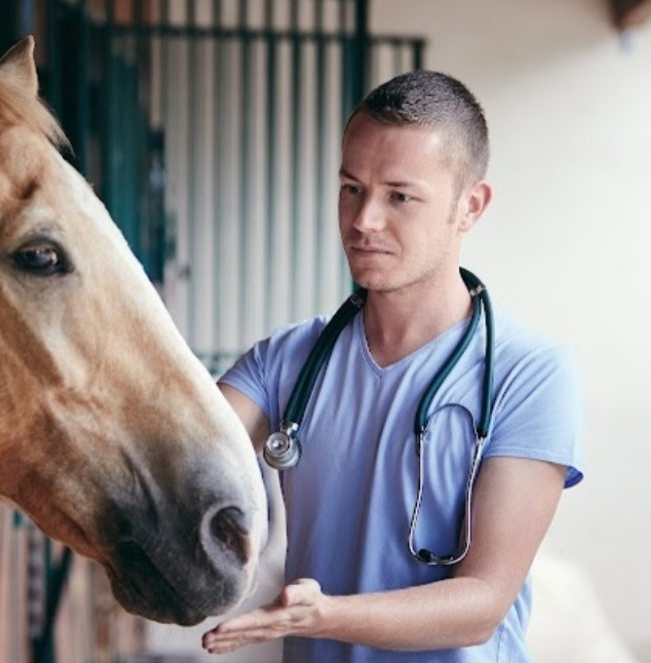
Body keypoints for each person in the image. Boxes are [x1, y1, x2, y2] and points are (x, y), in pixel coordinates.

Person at [201, 70, 583, 662]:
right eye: (351, 188)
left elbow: (482, 602)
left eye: (399, 196)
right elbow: (185, 446)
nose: (363, 221)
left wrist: (325, 616)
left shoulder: (527, 376)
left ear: (470, 206)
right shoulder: (288, 361)